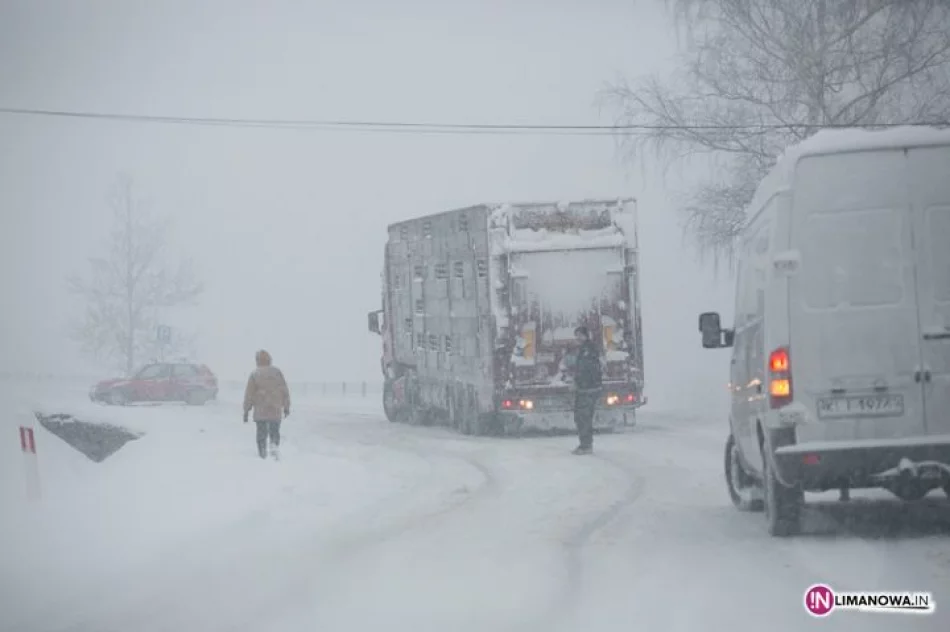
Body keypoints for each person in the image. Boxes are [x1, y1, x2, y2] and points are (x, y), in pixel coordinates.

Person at [243, 350, 291, 459]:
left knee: (261, 433)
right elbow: (284, 390)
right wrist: (286, 407)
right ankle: (274, 447)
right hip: (275, 409)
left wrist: (246, 410)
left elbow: (249, 394)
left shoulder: (255, 374)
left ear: (258, 360)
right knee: (274, 430)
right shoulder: (277, 373)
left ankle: (262, 452)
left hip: (261, 411)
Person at [571, 325, 602, 455]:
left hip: (587, 389)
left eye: (579, 335)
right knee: (582, 417)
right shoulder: (585, 349)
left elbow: (586, 370)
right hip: (586, 388)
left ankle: (586, 445)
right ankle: (585, 444)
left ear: (585, 335)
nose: (577, 338)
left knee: (583, 417)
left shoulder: (588, 350)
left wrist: (580, 382)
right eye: (576, 335)